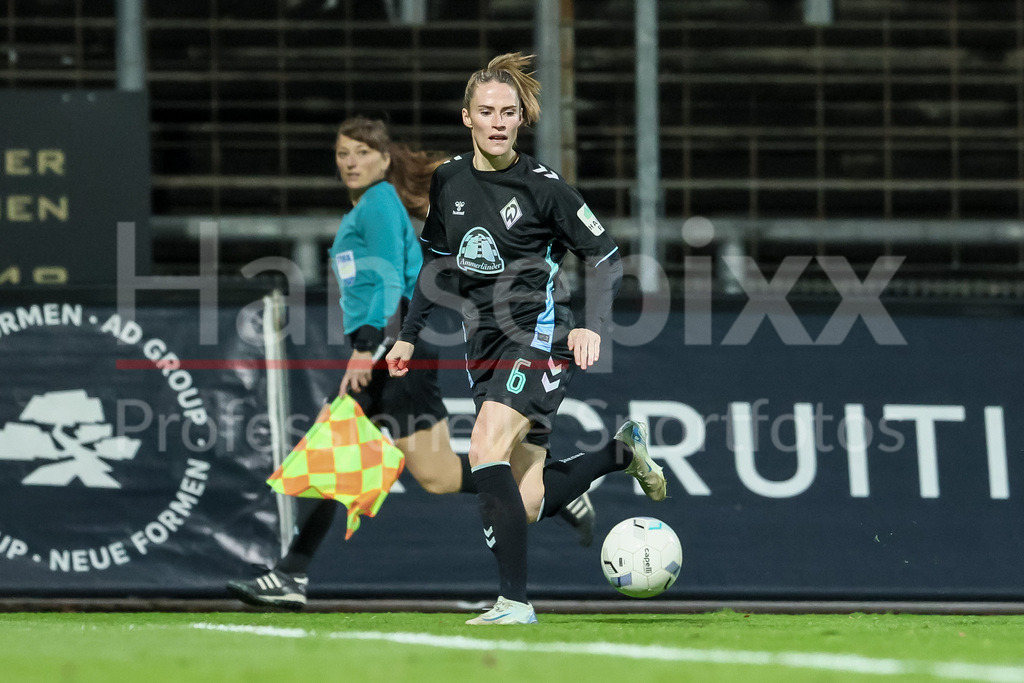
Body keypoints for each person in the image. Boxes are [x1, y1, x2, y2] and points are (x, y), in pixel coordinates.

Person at [227, 116, 595, 610]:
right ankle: (548, 488)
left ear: (384, 159)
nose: (351, 162)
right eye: (343, 153)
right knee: (428, 473)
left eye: (361, 152)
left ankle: (291, 574)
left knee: (349, 460)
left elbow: (388, 283)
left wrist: (366, 347)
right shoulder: (367, 207)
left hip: (391, 351)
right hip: (391, 349)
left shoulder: (377, 205)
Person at [386, 54, 667, 625]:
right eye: (486, 111)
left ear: (521, 120)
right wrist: (408, 337)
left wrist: (591, 324)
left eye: (508, 112)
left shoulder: (546, 189)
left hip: (538, 334)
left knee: (484, 448)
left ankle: (514, 603)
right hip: (481, 345)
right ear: (467, 117)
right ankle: (619, 453)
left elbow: (607, 259)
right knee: (530, 501)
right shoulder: (449, 180)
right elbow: (435, 263)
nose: (497, 121)